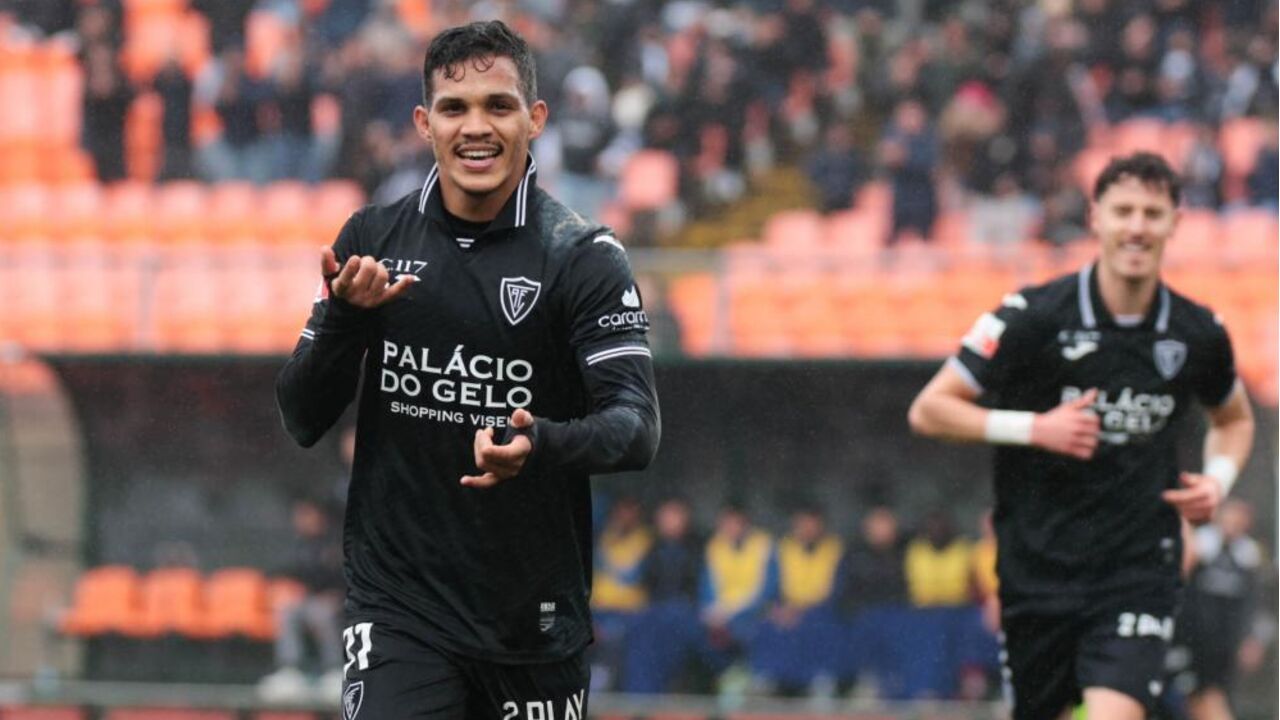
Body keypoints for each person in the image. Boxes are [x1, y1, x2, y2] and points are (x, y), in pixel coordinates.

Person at [275, 20, 661, 719]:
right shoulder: (372, 240)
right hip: (399, 610)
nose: (475, 127)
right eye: (454, 108)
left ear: (535, 119)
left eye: (498, 105)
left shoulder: (584, 257)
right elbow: (301, 417)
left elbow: (636, 428)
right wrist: (344, 319)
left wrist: (540, 443)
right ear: (424, 123)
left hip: (532, 622)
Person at [908, 152, 1255, 720]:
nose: (1137, 227)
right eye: (1123, 211)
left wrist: (1217, 481)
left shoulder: (1197, 333)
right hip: (1037, 573)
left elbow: (1234, 418)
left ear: (1175, 223)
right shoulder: (1033, 318)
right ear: (1096, 217)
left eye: (1152, 212)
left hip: (1138, 570)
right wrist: (1034, 428)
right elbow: (930, 409)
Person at [1174, 499, 1272, 720]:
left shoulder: (1249, 559)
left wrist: (1253, 639)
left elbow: (1257, 605)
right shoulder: (1198, 549)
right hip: (1192, 641)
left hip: (1226, 646)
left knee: (1212, 697)